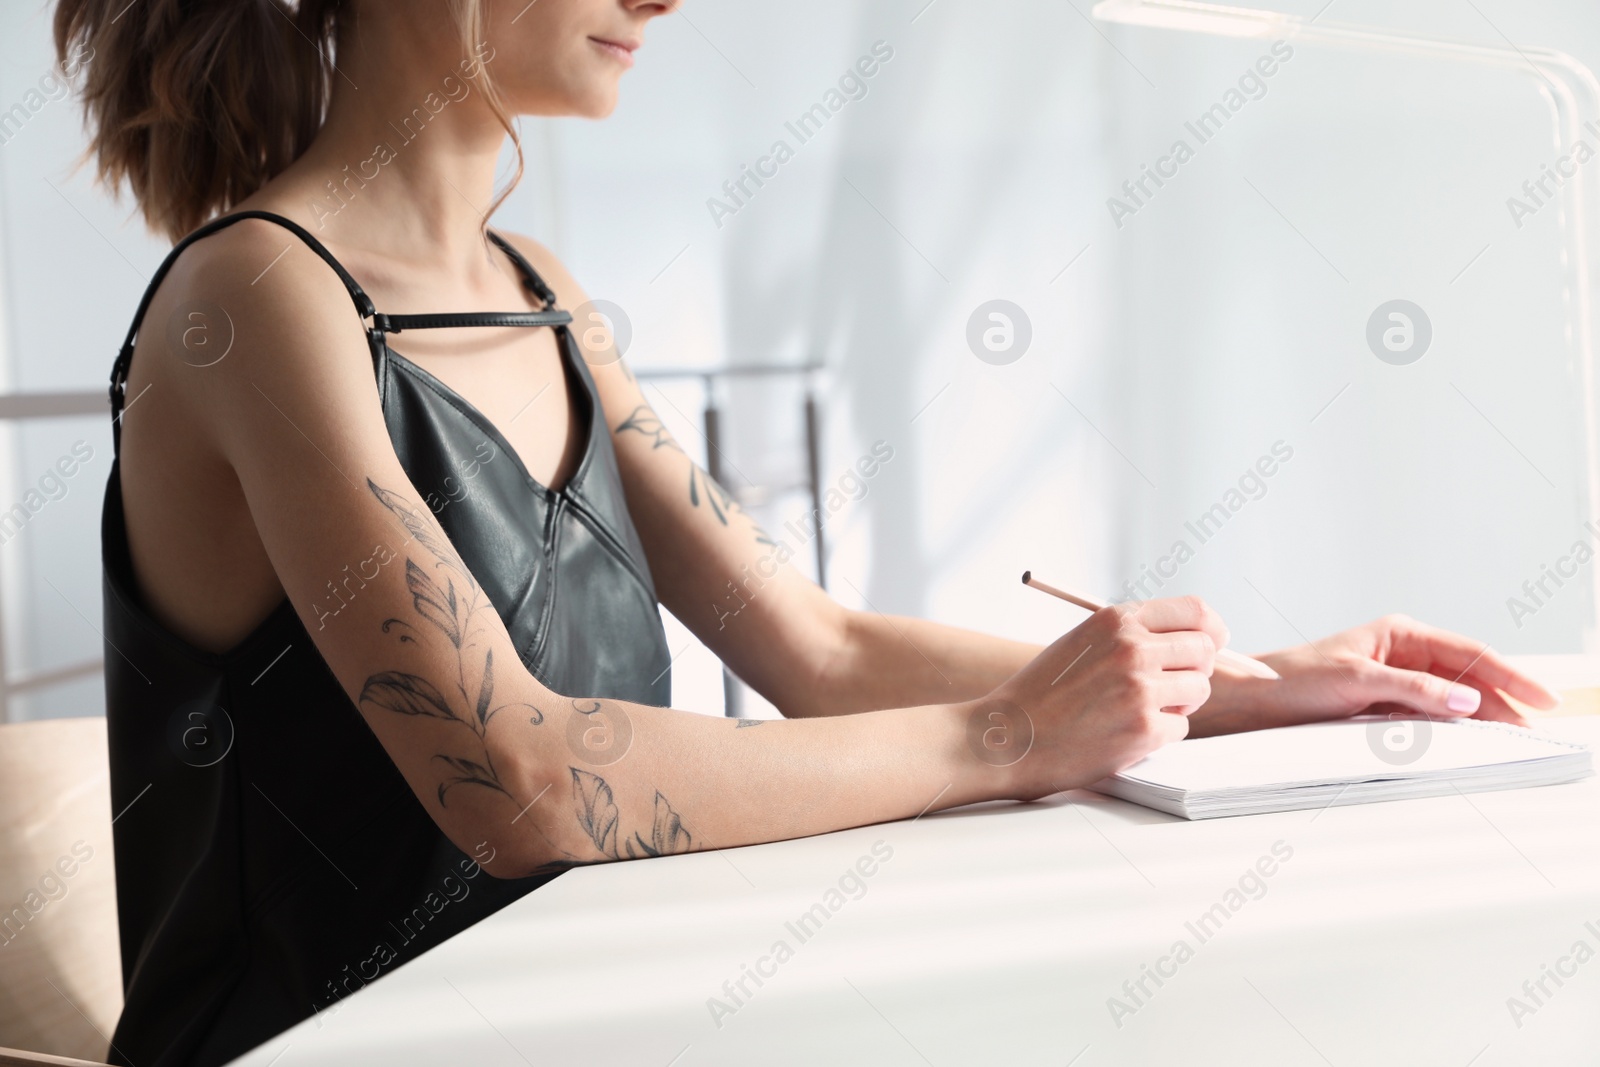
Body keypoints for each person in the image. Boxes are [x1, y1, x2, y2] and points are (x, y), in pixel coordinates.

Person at [55, 0, 1558, 1064]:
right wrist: (1009, 736)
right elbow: (515, 780)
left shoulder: (540, 290)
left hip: (578, 1009)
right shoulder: (254, 300)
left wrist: (1238, 691)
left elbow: (816, 644)